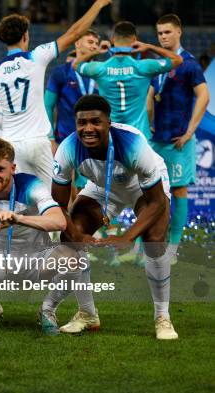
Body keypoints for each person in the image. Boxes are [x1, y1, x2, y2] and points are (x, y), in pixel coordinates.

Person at [51, 95, 177, 340]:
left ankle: (163, 317)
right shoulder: (67, 148)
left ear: (109, 122)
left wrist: (129, 237)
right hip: (102, 187)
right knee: (69, 238)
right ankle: (87, 314)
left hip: (141, 187)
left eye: (95, 122)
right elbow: (57, 204)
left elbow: (157, 202)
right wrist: (77, 235)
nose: (88, 128)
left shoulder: (132, 143)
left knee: (154, 240)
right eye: (82, 123)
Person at [0, 138, 92, 334]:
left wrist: (19, 219)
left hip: (35, 260)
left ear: (12, 168)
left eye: (0, 169)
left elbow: (59, 221)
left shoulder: (31, 185)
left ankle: (47, 310)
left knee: (74, 260)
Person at [0, 0, 112, 188]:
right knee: (54, 198)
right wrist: (98, 5)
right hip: (38, 143)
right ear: (25, 36)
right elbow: (74, 33)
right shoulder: (36, 56)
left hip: (12, 146)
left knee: (22, 199)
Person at [147, 14, 210, 264]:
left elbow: (204, 97)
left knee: (178, 189)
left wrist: (190, 132)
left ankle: (172, 250)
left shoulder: (189, 64)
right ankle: (147, 247)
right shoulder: (158, 64)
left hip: (178, 140)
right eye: (160, 33)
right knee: (151, 193)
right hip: (157, 139)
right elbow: (151, 95)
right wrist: (148, 123)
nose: (163, 36)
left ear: (179, 32)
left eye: (167, 32)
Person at [73, 20, 183, 140]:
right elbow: (177, 59)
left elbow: (76, 64)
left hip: (112, 138)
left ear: (113, 39)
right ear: (134, 39)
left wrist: (97, 51)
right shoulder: (144, 67)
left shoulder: (100, 68)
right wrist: (149, 46)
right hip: (139, 138)